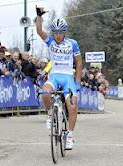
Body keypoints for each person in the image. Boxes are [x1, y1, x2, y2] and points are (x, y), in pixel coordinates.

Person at [36, 6, 82, 150]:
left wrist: (78, 82)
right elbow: (39, 31)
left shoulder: (72, 43)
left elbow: (79, 63)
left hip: (68, 77)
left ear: (64, 33)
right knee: (45, 92)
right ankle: (50, 114)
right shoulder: (50, 41)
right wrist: (39, 17)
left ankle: (69, 136)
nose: (57, 36)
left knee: (73, 106)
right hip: (55, 76)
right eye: (55, 32)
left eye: (60, 33)